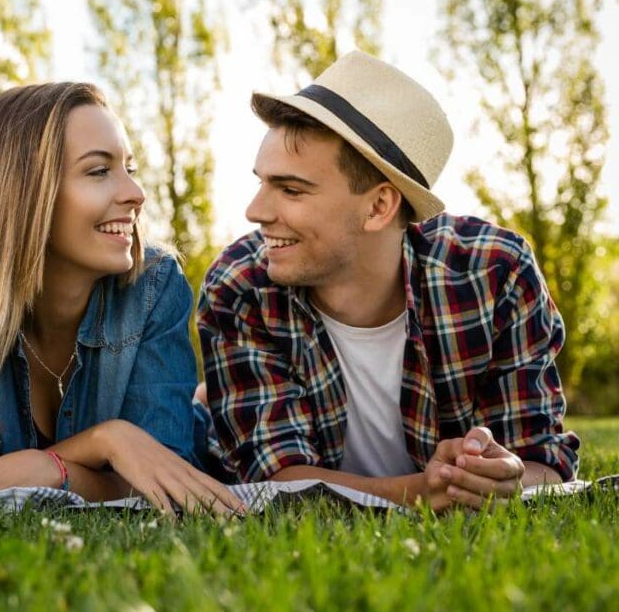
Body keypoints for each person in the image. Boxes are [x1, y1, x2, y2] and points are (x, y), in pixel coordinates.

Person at [198, 51, 579, 511]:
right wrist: (424, 491)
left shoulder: (496, 275)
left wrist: (500, 477)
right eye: (261, 183)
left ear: (379, 207)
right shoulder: (241, 287)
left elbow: (543, 462)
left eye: (291, 190)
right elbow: (275, 481)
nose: (255, 211)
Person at [0, 82, 244, 517]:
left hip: (212, 442)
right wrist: (107, 442)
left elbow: (163, 476)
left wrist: (32, 470)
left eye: (130, 168)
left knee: (206, 414)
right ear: (23, 196)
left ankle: (202, 400)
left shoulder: (154, 284)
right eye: (99, 171)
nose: (135, 194)